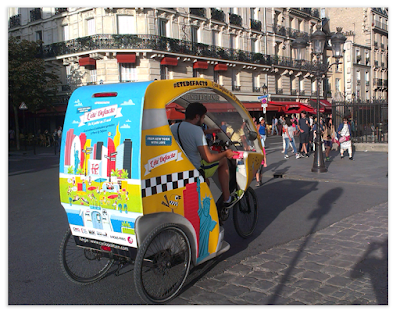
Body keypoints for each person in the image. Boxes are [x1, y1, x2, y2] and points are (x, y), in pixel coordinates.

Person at [170, 102, 239, 208]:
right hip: (196, 169)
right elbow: (209, 158)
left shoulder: (174, 127)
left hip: (181, 168)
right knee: (223, 160)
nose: (203, 121)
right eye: (203, 118)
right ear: (197, 116)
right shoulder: (197, 130)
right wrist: (225, 153)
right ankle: (227, 198)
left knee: (206, 182)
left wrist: (205, 132)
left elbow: (187, 134)